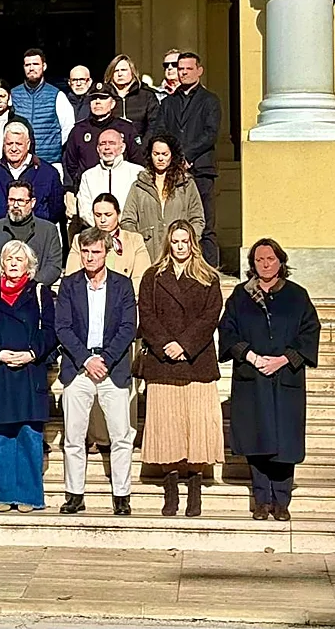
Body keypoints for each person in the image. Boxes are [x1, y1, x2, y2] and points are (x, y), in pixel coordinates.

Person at [219, 239, 321, 521]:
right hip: (253, 376)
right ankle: (262, 500)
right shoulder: (241, 296)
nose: (265, 264)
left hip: (286, 376)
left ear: (280, 261)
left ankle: (282, 500)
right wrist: (251, 357)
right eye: (259, 259)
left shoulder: (297, 296)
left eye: (270, 259)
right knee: (257, 438)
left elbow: (310, 331)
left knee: (285, 440)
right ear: (252, 264)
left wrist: (284, 359)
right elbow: (227, 330)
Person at [137, 220, 224, 518]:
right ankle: (171, 489)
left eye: (185, 241)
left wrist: (185, 344)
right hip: (163, 363)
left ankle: (195, 488)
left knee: (197, 426)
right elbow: (146, 314)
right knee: (168, 427)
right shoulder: (153, 276)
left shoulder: (208, 277)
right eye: (175, 241)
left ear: (193, 243)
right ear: (168, 244)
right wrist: (166, 345)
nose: (180, 246)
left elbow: (211, 316)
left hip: (197, 362)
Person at [55, 226, 138, 516]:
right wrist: (85, 359)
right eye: (85, 252)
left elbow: (128, 327)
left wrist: (106, 358)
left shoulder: (122, 285)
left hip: (112, 368)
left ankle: (122, 495)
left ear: (106, 253)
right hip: (78, 367)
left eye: (96, 251)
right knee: (74, 437)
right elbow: (62, 327)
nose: (90, 257)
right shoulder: (70, 285)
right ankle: (74, 494)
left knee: (121, 436)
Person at [0, 240, 56, 513]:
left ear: (29, 265)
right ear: (1, 263)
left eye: (20, 259)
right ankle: (3, 494)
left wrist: (32, 353)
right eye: (9, 258)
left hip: (29, 371)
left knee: (29, 434)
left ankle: (29, 496)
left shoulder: (40, 293)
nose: (14, 263)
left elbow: (50, 331)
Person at [66, 193, 152, 454]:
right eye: (98, 214)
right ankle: (96, 435)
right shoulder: (81, 240)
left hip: (123, 316)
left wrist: (122, 300)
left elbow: (142, 277)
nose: (102, 219)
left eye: (108, 214)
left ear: (118, 214)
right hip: (88, 319)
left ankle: (126, 433)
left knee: (120, 379)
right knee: (90, 378)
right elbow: (73, 274)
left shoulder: (133, 240)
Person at [153, 51, 222, 266]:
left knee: (205, 224)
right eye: (180, 68)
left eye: (188, 69)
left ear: (199, 71)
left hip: (201, 169)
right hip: (173, 171)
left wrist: (187, 156)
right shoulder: (168, 103)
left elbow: (210, 133)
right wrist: (174, 159)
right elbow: (161, 131)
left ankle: (209, 270)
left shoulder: (210, 100)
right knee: (176, 222)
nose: (183, 73)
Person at [121, 135, 205, 261]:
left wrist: (188, 241)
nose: (160, 158)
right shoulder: (139, 186)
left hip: (180, 254)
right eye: (156, 154)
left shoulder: (186, 184)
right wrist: (139, 244)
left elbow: (197, 218)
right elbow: (127, 221)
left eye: (165, 154)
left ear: (172, 155)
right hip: (148, 255)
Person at [62, 82, 143, 204]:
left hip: (121, 191)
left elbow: (137, 161)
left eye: (103, 98)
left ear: (113, 103)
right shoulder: (78, 130)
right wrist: (73, 187)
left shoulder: (126, 128)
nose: (98, 102)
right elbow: (70, 163)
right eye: (94, 98)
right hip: (89, 192)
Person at [0, 181, 63, 289]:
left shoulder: (48, 230)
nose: (15, 205)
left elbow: (54, 266)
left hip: (34, 293)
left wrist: (30, 287)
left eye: (21, 201)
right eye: (12, 200)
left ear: (32, 202)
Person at [0, 122, 63, 224]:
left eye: (18, 144)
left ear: (28, 144)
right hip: (1, 231)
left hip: (37, 232)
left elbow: (56, 210)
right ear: (3, 145)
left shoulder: (48, 173)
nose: (14, 149)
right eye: (9, 144)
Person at [10, 49, 74, 171]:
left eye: (35, 64)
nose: (31, 68)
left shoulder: (57, 95)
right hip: (19, 163)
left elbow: (68, 127)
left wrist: (53, 146)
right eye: (27, 65)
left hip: (50, 162)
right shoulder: (13, 95)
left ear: (44, 66)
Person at [75, 129, 143, 228]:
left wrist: (122, 227)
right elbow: (84, 209)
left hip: (128, 231)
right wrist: (103, 227)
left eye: (112, 143)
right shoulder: (88, 176)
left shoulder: (137, 172)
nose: (107, 147)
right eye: (103, 144)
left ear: (122, 147)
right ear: (98, 149)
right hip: (97, 231)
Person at [107, 54, 160, 146]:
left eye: (123, 70)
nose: (120, 74)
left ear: (132, 72)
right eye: (116, 71)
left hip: (141, 148)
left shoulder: (146, 96)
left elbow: (154, 125)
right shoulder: (105, 96)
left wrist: (143, 148)